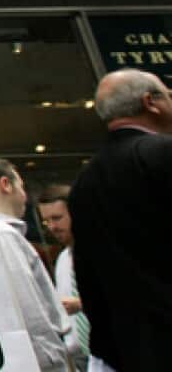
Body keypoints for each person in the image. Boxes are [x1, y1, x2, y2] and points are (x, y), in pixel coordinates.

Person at [69, 68, 172, 372]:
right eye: (168, 93)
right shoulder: (162, 155)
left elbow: (87, 274)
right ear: (150, 102)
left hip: (126, 347)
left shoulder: (84, 183)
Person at [0, 157, 70, 372]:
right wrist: (53, 362)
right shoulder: (4, 236)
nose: (25, 196)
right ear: (6, 184)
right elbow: (31, 314)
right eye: (21, 185)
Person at [36, 185, 89, 370]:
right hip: (80, 356)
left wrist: (81, 304)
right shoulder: (62, 261)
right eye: (46, 222)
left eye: (57, 218)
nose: (52, 227)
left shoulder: (105, 251)